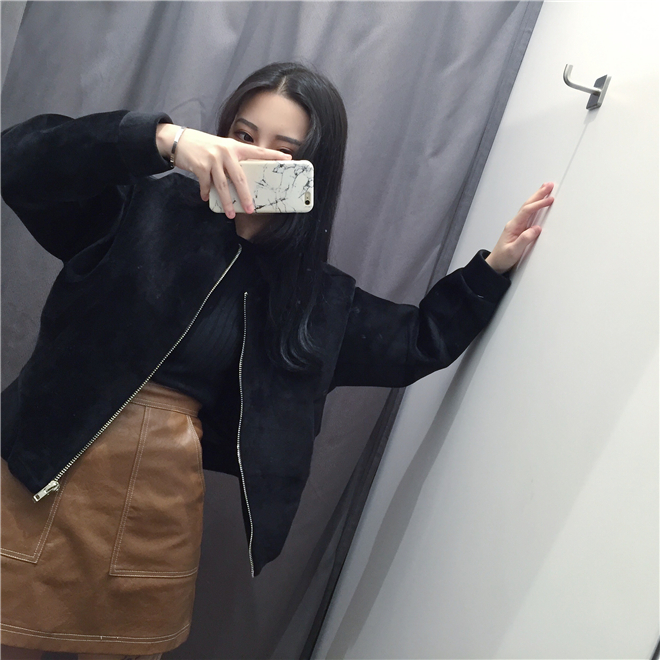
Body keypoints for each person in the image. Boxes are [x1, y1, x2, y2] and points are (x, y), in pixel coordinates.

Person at [0, 62, 554, 660]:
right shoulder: (137, 207)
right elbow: (16, 164)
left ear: (313, 170)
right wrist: (162, 139)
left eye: (284, 152)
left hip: (158, 507)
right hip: (40, 466)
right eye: (243, 135)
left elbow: (416, 341)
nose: (253, 158)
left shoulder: (311, 296)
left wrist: (492, 268)